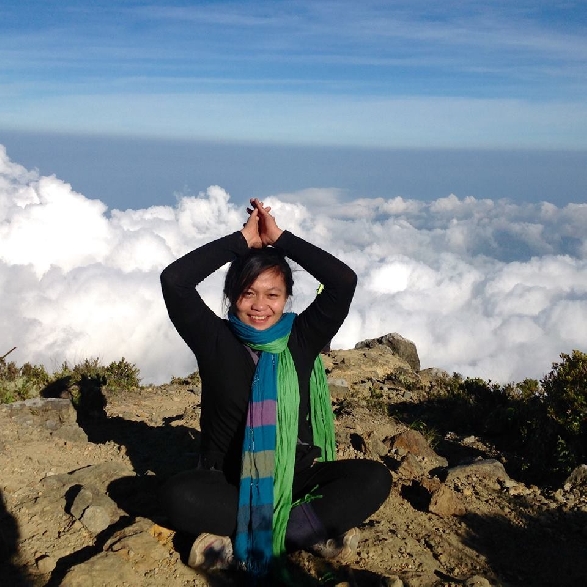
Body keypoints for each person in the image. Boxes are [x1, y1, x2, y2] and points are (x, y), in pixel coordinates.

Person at [159, 199, 391, 577]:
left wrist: (280, 239)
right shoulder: (214, 339)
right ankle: (303, 532)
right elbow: (175, 281)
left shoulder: (301, 337)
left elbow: (342, 281)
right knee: (178, 496)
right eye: (248, 293)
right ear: (232, 297)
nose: (260, 306)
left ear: (286, 300)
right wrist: (240, 241)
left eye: (272, 295)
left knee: (374, 478)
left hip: (294, 477)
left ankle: (259, 537)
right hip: (231, 482)